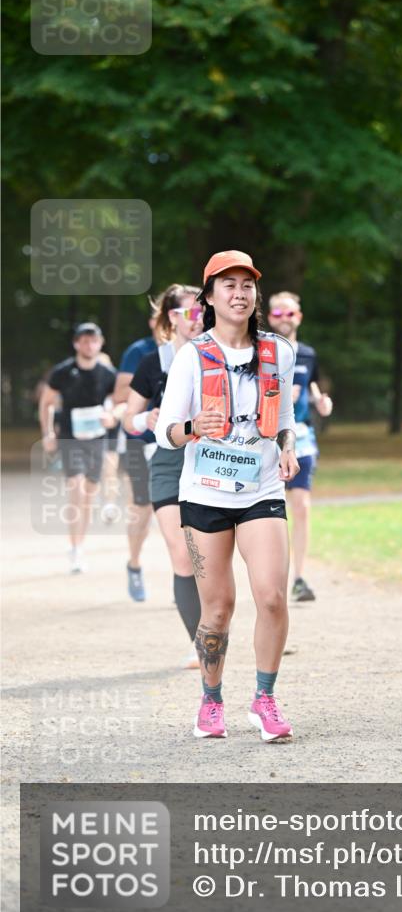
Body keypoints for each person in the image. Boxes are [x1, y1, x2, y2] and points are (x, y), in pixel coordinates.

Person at [155, 250, 300, 742]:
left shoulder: (279, 351)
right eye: (228, 285)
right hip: (205, 492)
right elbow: (164, 432)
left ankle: (264, 699)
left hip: (262, 487)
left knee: (273, 597)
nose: (239, 293)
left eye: (247, 285)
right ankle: (211, 701)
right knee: (217, 607)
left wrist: (287, 448)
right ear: (210, 297)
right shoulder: (192, 356)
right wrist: (193, 427)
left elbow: (284, 421)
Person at [124, 285, 203, 667]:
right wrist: (145, 418)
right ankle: (201, 643)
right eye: (190, 312)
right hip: (169, 461)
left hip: (212, 459)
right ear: (173, 318)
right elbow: (128, 416)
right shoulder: (152, 362)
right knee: (182, 555)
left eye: (203, 310)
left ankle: (218, 624)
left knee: (209, 555)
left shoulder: (220, 355)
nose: (199, 317)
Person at [268, 291, 333, 601]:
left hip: (303, 436)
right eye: (278, 314)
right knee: (270, 511)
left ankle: (300, 578)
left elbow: (313, 386)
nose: (284, 319)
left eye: (289, 314)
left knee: (302, 508)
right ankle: (271, 576)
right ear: (269, 318)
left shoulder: (307, 353)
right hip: (269, 439)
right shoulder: (262, 350)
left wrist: (321, 401)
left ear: (299, 317)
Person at [39, 323, 116, 573]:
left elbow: (121, 402)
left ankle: (79, 544)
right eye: (83, 340)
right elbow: (47, 402)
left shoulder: (107, 374)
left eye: (93, 340)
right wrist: (48, 432)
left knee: (89, 496)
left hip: (96, 439)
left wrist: (112, 414)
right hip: (70, 439)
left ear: (100, 343)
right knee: (76, 488)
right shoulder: (62, 372)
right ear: (76, 343)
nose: (88, 345)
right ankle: (75, 548)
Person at [113, 318, 157, 601]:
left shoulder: (199, 347)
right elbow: (118, 394)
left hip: (180, 440)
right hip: (138, 437)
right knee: (142, 508)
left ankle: (186, 579)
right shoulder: (139, 351)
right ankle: (135, 563)